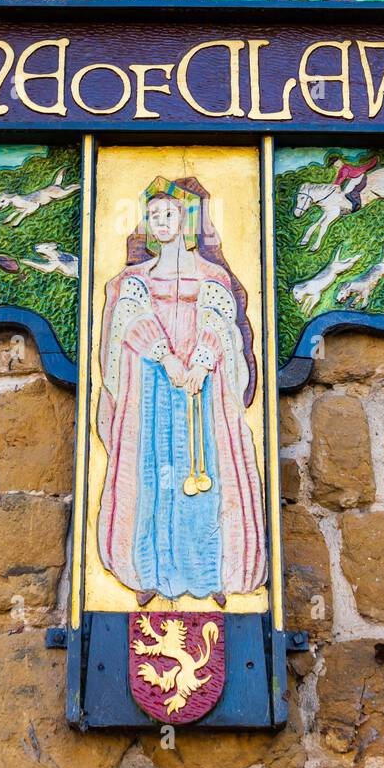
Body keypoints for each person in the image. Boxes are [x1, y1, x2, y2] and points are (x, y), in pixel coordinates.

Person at [96, 177, 266, 605]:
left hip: (203, 393)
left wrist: (203, 362)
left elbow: (220, 321)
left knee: (206, 476)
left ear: (187, 220)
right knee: (152, 477)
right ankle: (147, 573)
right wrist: (167, 358)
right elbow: (128, 320)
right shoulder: (134, 277)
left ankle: (210, 575)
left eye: (169, 213)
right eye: (153, 215)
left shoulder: (210, 275)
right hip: (152, 389)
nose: (161, 221)